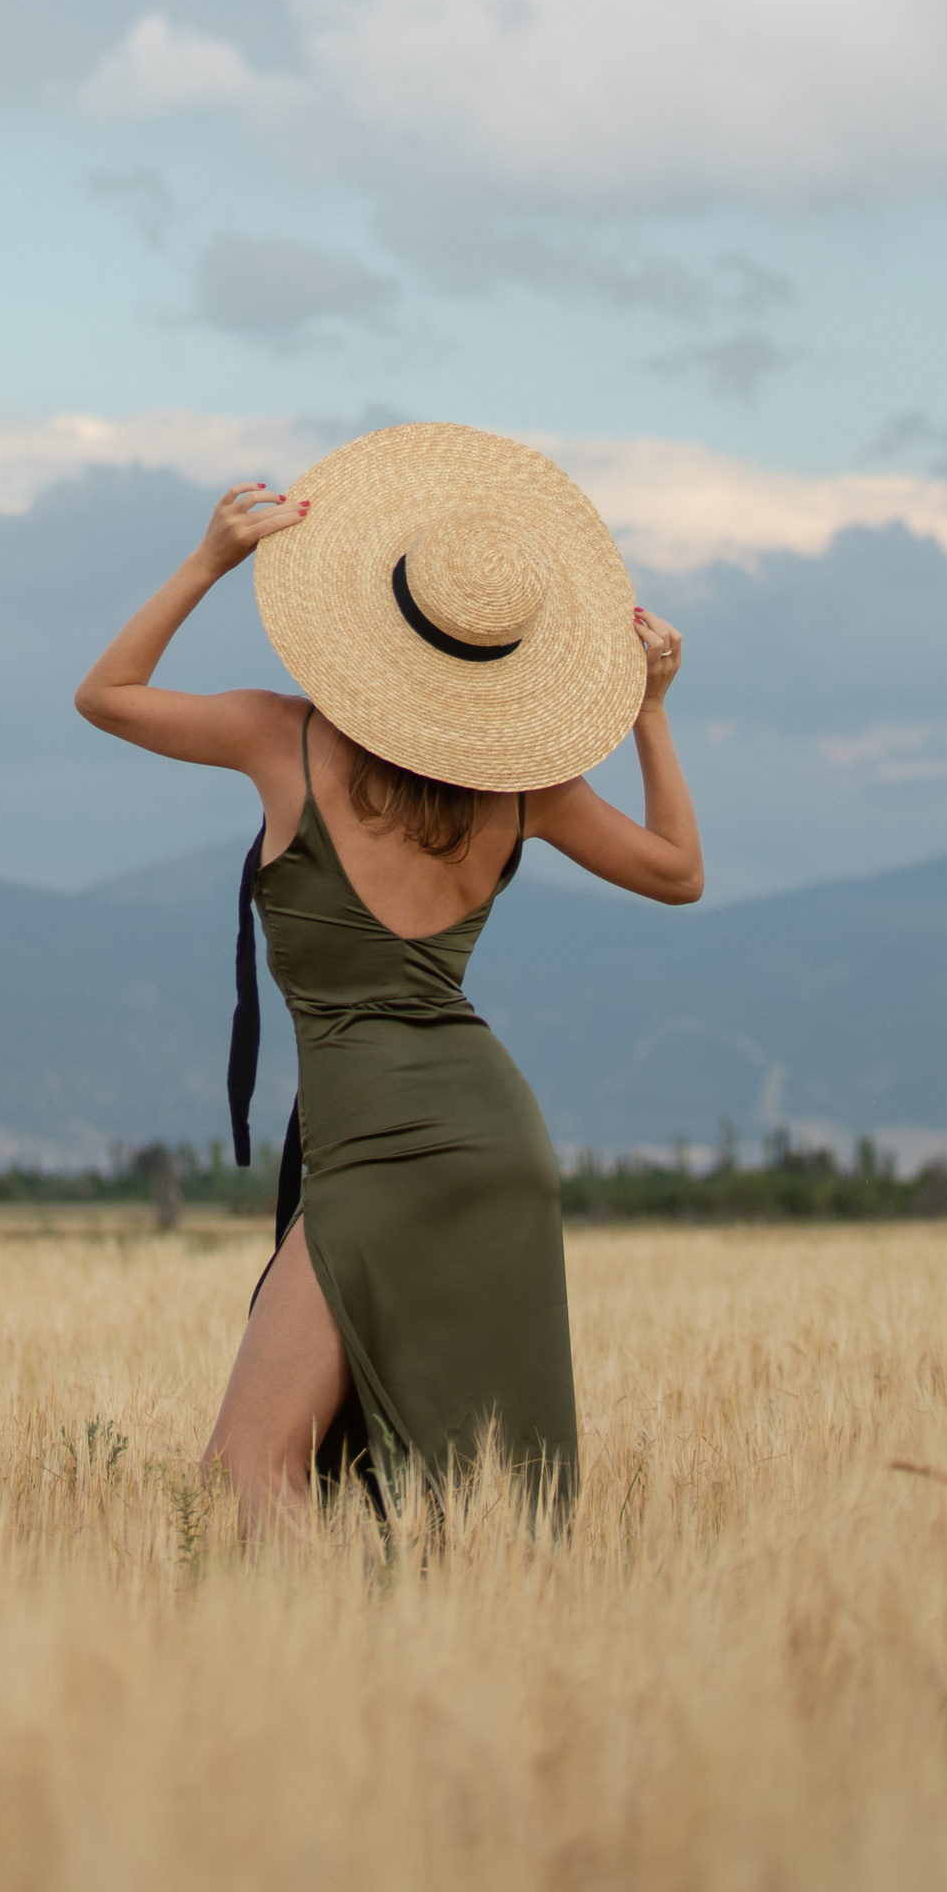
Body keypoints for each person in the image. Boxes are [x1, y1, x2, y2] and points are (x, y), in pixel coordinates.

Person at [75, 421, 702, 1526]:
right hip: (493, 1143)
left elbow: (107, 695)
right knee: (470, 1498)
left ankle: (313, 1643)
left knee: (250, 1470)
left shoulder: (281, 739)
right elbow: (678, 873)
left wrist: (209, 562)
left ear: (374, 623)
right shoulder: (528, 790)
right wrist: (648, 713)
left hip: (370, 1148)